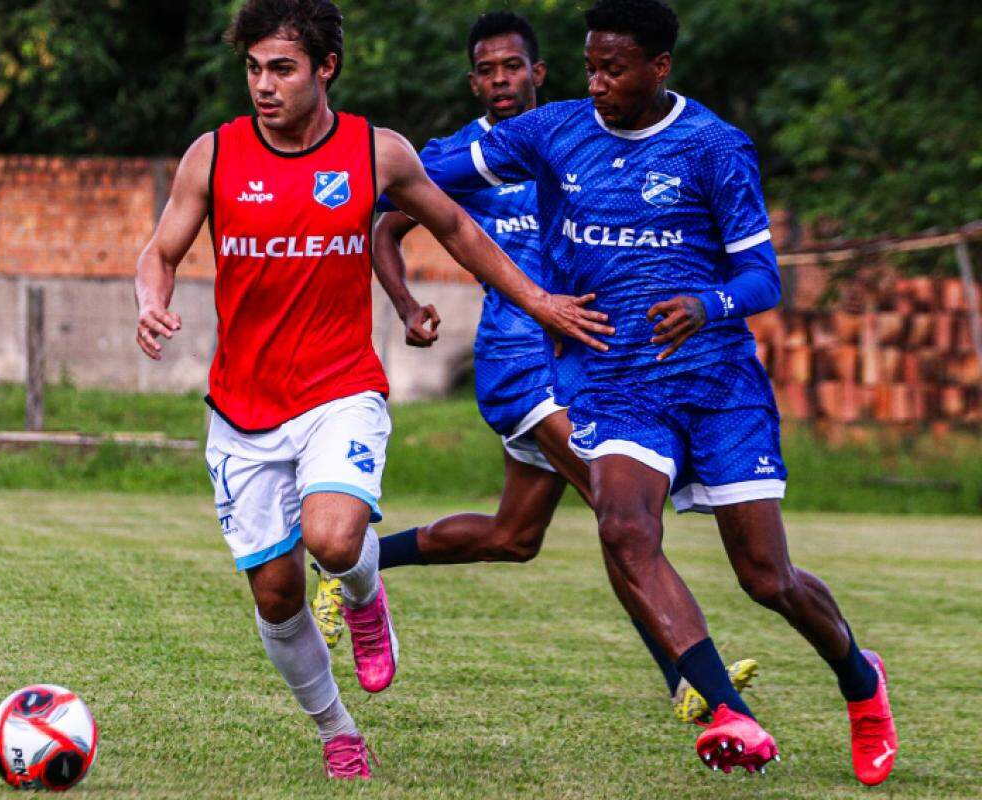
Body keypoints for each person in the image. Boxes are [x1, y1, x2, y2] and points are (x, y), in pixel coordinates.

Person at [406, 0, 897, 783]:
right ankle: (725, 711)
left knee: (767, 579)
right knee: (624, 527)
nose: (597, 83)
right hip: (618, 381)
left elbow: (762, 278)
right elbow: (415, 178)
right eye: (590, 65)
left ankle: (859, 680)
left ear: (659, 68)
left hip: (717, 384)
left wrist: (708, 305)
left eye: (615, 69)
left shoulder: (713, 148)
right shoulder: (553, 131)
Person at [133, 0, 609, 781]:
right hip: (242, 409)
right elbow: (161, 250)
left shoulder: (374, 153)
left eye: (281, 68)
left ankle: (362, 592)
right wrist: (150, 300)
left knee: (332, 538)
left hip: (340, 388)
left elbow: (457, 229)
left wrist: (537, 300)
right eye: (252, 68)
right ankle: (337, 729)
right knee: (278, 596)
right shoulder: (212, 157)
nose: (263, 85)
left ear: (325, 68)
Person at [310, 9, 759, 727]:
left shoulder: (569, 140)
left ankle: (355, 560)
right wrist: (404, 304)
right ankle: (690, 681)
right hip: (520, 362)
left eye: (511, 67)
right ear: (473, 81)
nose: (499, 81)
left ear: (538, 73)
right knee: (619, 512)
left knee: (513, 538)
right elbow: (385, 222)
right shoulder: (459, 157)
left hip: (582, 359)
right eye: (485, 71)